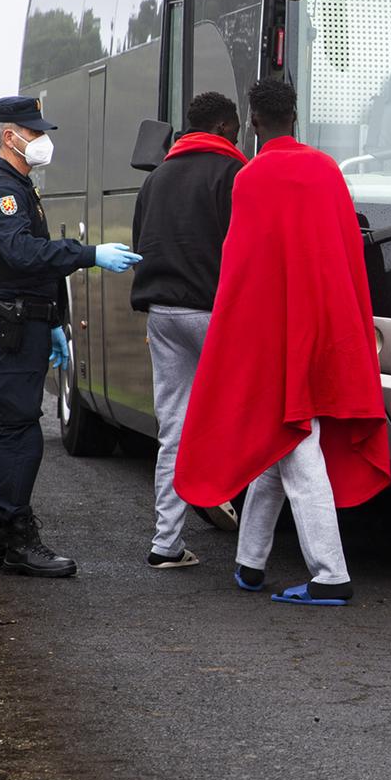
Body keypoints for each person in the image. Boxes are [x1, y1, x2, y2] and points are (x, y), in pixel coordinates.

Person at [173, 79, 390, 606]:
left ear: (252, 121)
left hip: (276, 333)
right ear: (296, 116)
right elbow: (347, 258)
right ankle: (250, 563)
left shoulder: (250, 178)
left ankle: (330, 573)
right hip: (328, 328)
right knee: (281, 436)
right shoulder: (327, 171)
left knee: (296, 440)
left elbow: (243, 273)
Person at [0, 95, 141, 577]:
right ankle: (18, 540)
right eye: (34, 132)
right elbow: (23, 254)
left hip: (26, 322)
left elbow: (30, 270)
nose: (42, 140)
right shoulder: (1, 191)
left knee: (5, 430)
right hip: (14, 328)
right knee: (21, 435)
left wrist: (57, 321)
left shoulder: (17, 186)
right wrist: (88, 253)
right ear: (10, 136)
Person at [130, 91, 247, 570]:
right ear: (223, 128)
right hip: (213, 313)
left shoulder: (156, 177)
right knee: (246, 419)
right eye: (236, 129)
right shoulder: (233, 173)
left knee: (173, 426)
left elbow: (140, 242)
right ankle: (254, 545)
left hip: (161, 312)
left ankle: (166, 544)